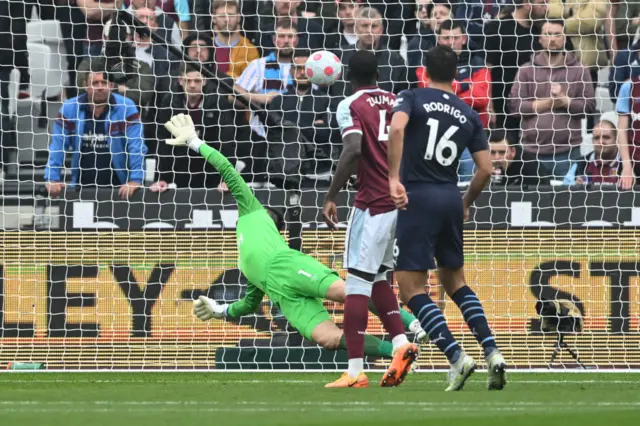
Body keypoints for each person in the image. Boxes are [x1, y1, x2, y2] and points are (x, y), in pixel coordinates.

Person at [162, 113, 426, 388]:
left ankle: (414, 325)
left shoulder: (251, 209)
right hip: (283, 297)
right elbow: (250, 304)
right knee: (328, 338)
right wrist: (221, 311)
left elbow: (227, 169)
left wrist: (194, 142)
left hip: (287, 265)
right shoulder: (247, 266)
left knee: (349, 293)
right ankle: (397, 353)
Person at [388, 45, 507, 392]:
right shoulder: (468, 113)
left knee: (411, 288)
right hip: (450, 197)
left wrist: (394, 178)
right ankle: (492, 352)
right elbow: (486, 169)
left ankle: (456, 356)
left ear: (423, 71)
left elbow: (396, 130)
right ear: (457, 78)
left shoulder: (412, 96)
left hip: (417, 197)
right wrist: (467, 201)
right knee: (455, 282)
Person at [321, 51, 419, 389]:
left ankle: (354, 371)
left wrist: (332, 194)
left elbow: (353, 149)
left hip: (371, 204)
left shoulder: (350, 104)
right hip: (399, 202)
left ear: (347, 74)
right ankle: (401, 343)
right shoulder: (398, 101)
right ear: (378, 73)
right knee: (378, 277)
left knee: (356, 285)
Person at [44, 58, 147, 199]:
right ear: (86, 85)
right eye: (95, 83)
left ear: (111, 85)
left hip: (119, 188)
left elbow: (136, 146)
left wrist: (135, 180)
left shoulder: (127, 107)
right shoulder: (69, 108)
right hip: (81, 187)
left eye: (104, 82)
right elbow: (57, 146)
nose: (100, 87)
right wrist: (52, 178)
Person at [563, 113, 621, 186]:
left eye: (606, 137)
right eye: (596, 138)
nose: (601, 142)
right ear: (592, 141)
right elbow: (565, 189)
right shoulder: (580, 164)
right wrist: (575, 186)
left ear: (616, 139)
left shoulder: (628, 164)